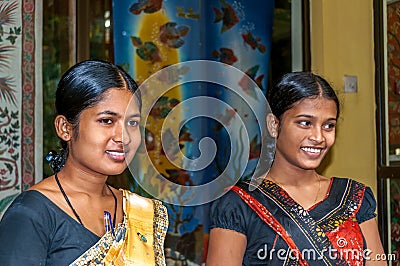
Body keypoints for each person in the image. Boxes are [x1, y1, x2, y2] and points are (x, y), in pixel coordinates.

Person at [206, 72, 386, 265]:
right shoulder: (239, 205)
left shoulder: (354, 198)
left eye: (328, 126)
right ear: (273, 125)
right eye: (305, 123)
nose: (318, 137)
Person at [0, 59, 168, 265]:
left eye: (132, 123)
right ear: (65, 128)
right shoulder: (33, 213)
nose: (124, 137)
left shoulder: (138, 211)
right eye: (107, 121)